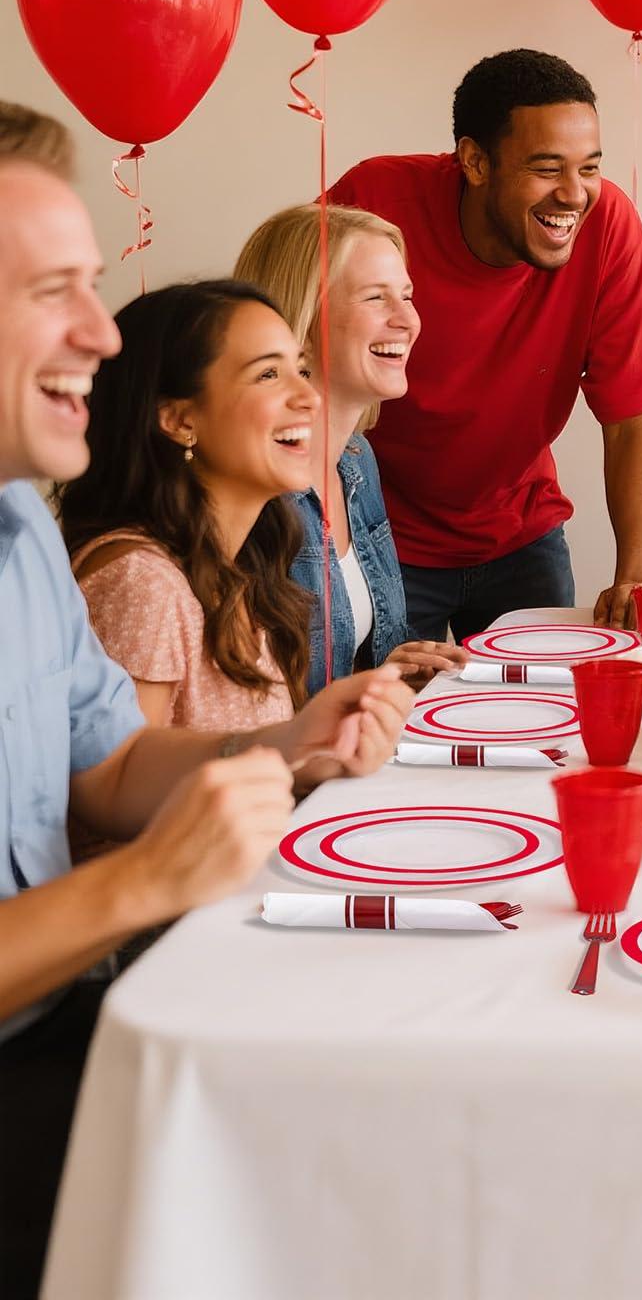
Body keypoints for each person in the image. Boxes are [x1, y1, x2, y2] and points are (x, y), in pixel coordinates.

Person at [0, 104, 411, 1297]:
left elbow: (113, 762)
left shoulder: (25, 519)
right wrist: (144, 880)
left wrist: (288, 740)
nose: (99, 329)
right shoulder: (127, 566)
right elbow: (122, 841)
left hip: (74, 1021)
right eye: (49, 290)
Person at [327, 49, 642, 636]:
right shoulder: (375, 201)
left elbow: (632, 420)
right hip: (381, 536)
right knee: (390, 723)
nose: (574, 194)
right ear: (474, 162)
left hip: (522, 532)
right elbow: (289, 349)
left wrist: (636, 581)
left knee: (547, 719)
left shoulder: (608, 223)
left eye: (589, 167)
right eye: (547, 168)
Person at [58, 281, 316, 731]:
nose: (309, 397)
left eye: (301, 370)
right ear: (178, 420)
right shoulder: (142, 583)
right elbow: (125, 794)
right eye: (268, 374)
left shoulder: (240, 562)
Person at [234, 204, 467, 692]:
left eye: (406, 296)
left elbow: (343, 673)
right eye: (375, 298)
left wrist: (387, 673)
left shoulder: (356, 460)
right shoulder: (248, 493)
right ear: (300, 314)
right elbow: (241, 707)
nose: (409, 320)